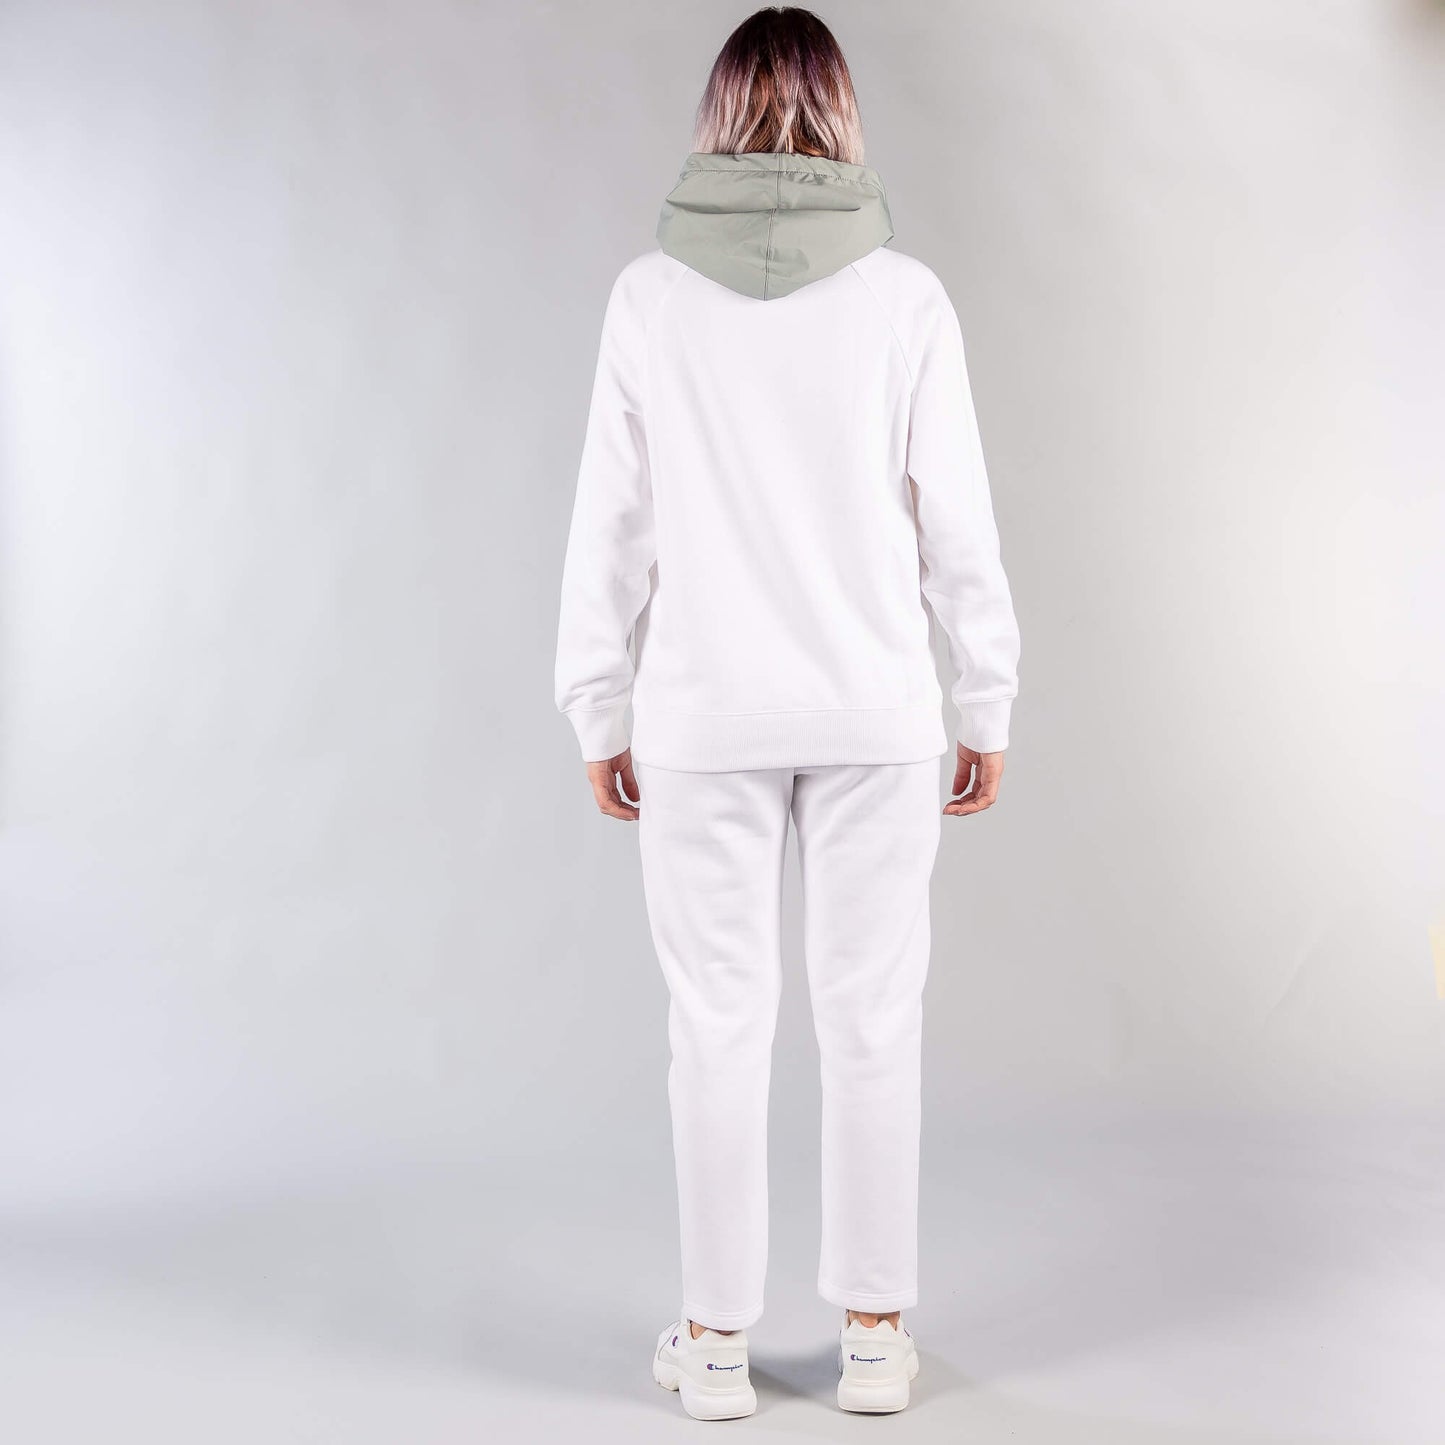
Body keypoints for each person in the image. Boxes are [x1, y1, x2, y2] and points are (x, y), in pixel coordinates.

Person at [553, 5, 1020, 1421]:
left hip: (703, 716)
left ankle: (713, 1341)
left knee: (716, 1022)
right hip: (875, 709)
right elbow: (957, 521)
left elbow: (611, 524)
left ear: (717, 114)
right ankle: (873, 1333)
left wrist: (598, 704)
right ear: (839, 111)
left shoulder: (649, 298)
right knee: (873, 1017)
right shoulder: (904, 300)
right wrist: (984, 691)